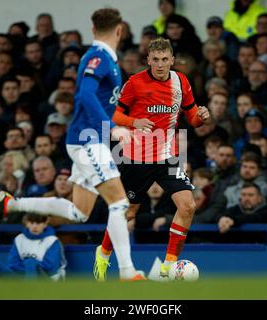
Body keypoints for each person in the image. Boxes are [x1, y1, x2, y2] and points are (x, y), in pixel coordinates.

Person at [0, 8, 145, 281]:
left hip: (89, 141)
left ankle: (12, 204)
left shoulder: (103, 58)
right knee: (119, 203)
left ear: (93, 29)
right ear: (119, 31)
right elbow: (84, 95)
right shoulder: (99, 57)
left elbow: (100, 102)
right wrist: (112, 128)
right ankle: (128, 272)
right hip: (88, 140)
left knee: (78, 212)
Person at [95, 37, 211, 281]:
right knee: (128, 214)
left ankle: (168, 267)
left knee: (188, 206)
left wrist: (201, 116)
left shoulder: (181, 82)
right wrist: (134, 122)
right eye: (155, 60)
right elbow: (114, 114)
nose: (160, 65)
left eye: (165, 60)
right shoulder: (135, 84)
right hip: (136, 158)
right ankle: (103, 253)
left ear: (172, 60)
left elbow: (192, 116)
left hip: (166, 157)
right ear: (148, 60)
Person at [0, 213, 66, 280]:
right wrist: (27, 271)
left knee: (30, 262)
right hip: (21, 278)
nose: (34, 226)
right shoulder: (19, 239)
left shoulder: (52, 240)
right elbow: (12, 264)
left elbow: (51, 268)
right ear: (27, 223)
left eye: (38, 223)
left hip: (46, 280)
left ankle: (29, 294)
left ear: (45, 224)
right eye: (31, 223)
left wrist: (30, 266)